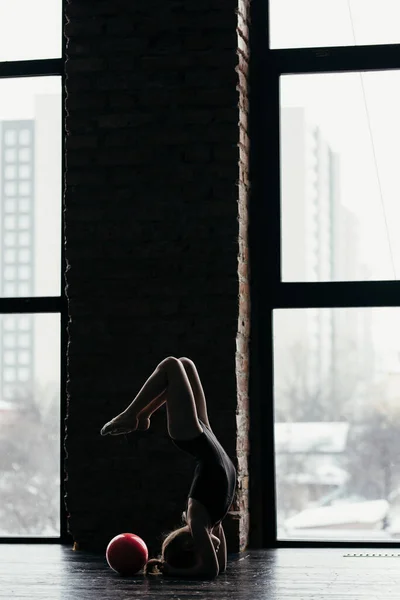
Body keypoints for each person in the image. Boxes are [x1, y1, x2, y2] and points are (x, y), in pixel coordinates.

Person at [100, 356, 237, 579]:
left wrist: (172, 570)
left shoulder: (198, 521)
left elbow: (210, 570)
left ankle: (136, 415)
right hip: (207, 442)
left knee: (176, 365)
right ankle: (138, 415)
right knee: (181, 365)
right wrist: (177, 568)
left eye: (208, 550)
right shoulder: (213, 523)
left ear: (190, 546)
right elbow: (217, 569)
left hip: (196, 441)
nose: (217, 547)